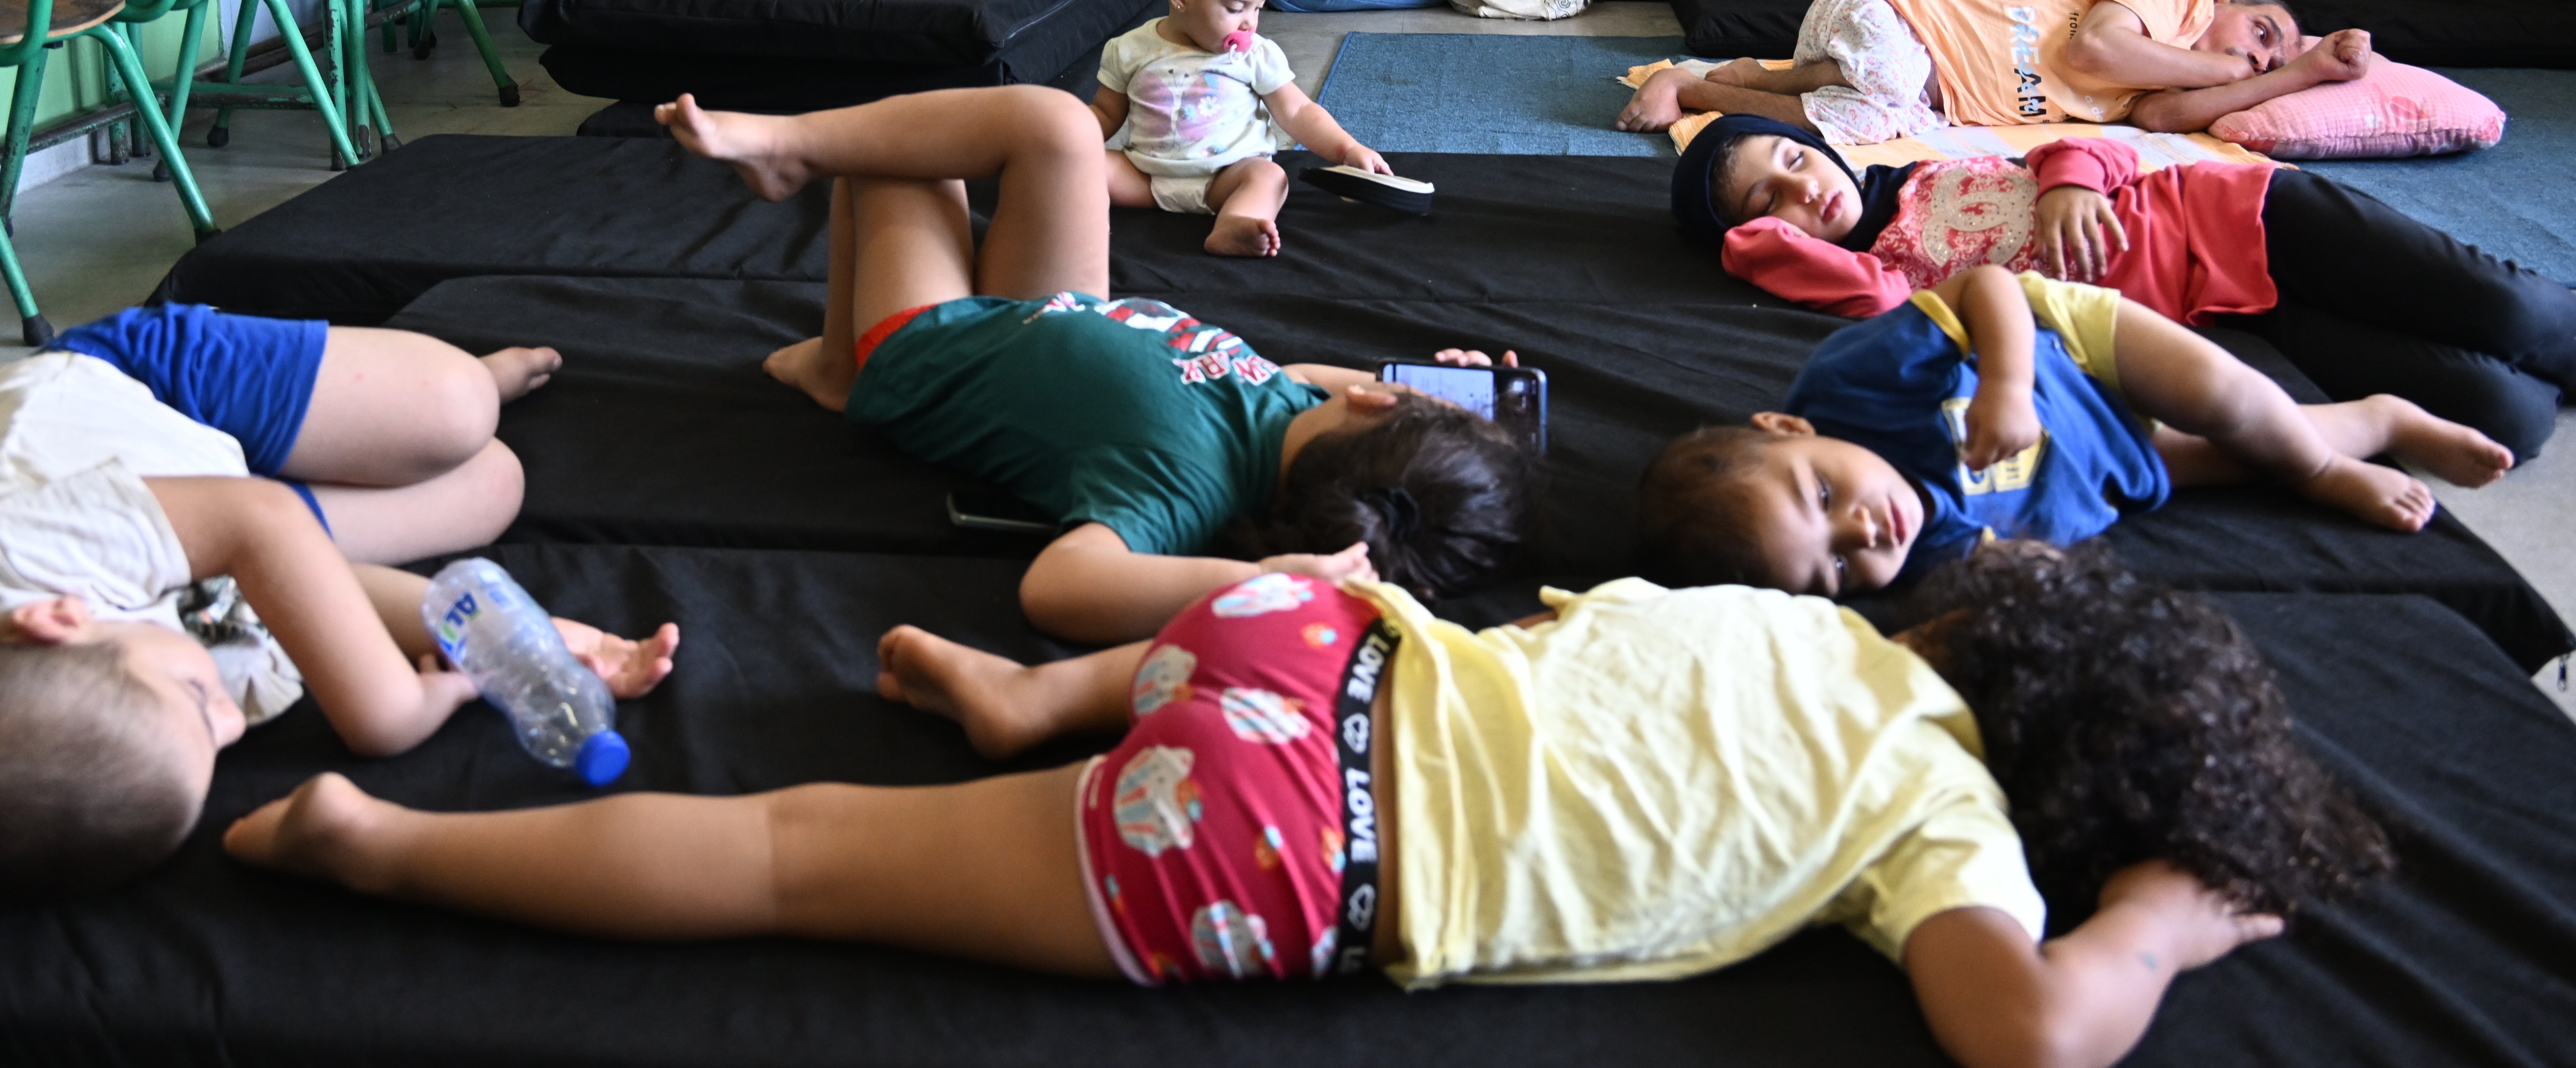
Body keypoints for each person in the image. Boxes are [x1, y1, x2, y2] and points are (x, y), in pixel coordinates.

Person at [225, 541, 2388, 1068]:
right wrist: (2161, 926)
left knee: (1306, 618)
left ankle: (1034, 686)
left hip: (1288, 641)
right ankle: (379, 839)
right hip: (1278, 846)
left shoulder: (1806, 624)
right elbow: (2022, 1030)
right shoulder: (1954, 835)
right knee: (791, 856)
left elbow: (1567, 631)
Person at [0, 305, 680, 909]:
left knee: (460, 409)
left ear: (57, 622)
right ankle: (368, 432)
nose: (226, 714)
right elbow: (294, 591)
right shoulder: (78, 680)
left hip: (153, 391)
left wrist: (387, 713)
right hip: (219, 519)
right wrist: (504, 642)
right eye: (221, 738)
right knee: (494, 485)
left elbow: (265, 528)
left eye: (194, 699)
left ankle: (464, 376)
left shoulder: (2, 552)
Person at [659, 84, 1531, 643]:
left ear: (1380, 407)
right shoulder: (1291, 409)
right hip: (1052, 309)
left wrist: (1258, 583)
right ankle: (826, 333)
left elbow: (1061, 588)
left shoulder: (1184, 487)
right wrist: (1462, 404)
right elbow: (1327, 380)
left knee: (895, 159)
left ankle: (835, 334)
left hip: (928, 350)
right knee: (1057, 127)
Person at [1667, 110, 2575, 456]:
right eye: (1769, 201)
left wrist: (2066, 183)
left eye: (1791, 156)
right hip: (2229, 322)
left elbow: (2090, 144)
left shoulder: (1920, 172)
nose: (1803, 186)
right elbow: (1872, 303)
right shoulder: (1882, 275)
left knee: (2513, 307)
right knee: (2505, 412)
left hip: (2239, 216)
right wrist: (1752, 245)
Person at [1631, 260, 2512, 597]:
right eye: (1830, 568)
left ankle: (2320, 469)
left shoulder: (1854, 380)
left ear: (1787, 425)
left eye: (1819, 494)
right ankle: (2383, 417)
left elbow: (1986, 286)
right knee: (2239, 458)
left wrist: (2006, 382)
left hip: (2068, 353)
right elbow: (1990, 558)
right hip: (2097, 461)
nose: (1858, 532)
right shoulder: (1916, 548)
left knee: (2236, 403)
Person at [1615, 0, 2371, 143]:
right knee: (1879, 117)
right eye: (2259, 36)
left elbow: (2161, 121)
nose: (2252, 59)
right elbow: (2094, 54)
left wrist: (2299, 73)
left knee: (1894, 107)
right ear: (2224, 2)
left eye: (2265, 61)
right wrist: (2224, 62)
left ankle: (1749, 77)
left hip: (1891, 60)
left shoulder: (2166, 82)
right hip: (1886, 1)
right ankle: (1693, 87)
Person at [1096, 0, 1391, 257]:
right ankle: (1079, 222)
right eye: (1237, 7)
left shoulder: (1257, 55)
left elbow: (1297, 112)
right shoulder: (1128, 50)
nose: (1250, 23)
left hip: (1227, 178)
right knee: (1080, 167)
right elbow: (1106, 114)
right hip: (1145, 178)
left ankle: (1237, 222)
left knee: (1269, 177)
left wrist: (1347, 149)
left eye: (1258, 8)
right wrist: (1067, 145)